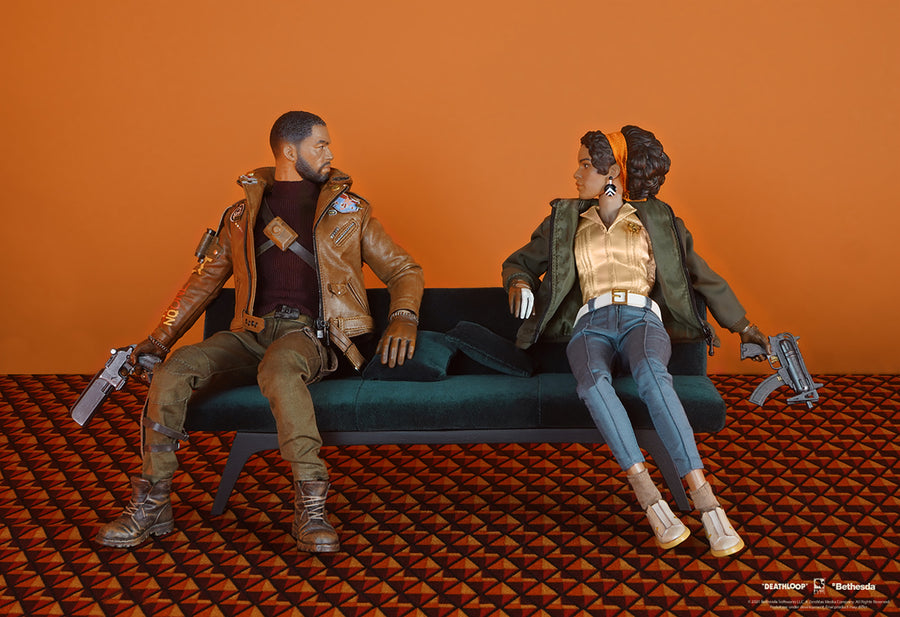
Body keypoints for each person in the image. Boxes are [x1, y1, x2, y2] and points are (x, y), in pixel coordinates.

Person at [95, 111, 424, 553]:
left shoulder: (348, 213)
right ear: (289, 151)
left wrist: (404, 315)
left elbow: (404, 269)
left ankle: (311, 507)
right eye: (320, 145)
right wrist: (159, 340)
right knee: (175, 370)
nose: (330, 153)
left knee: (280, 369)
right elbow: (203, 283)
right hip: (249, 333)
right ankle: (153, 503)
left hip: (309, 335)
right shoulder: (240, 216)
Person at [502, 126, 769, 557]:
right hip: (589, 325)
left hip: (641, 319)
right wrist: (518, 282)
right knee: (592, 383)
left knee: (652, 375)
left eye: (585, 165)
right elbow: (519, 262)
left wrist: (744, 327)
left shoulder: (658, 220)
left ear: (613, 172)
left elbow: (701, 273)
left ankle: (707, 502)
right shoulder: (565, 221)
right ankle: (649, 496)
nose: (576, 174)